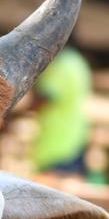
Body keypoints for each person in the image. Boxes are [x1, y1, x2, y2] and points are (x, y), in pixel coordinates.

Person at [29, 45, 91, 174]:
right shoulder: (79, 63)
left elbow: (44, 98)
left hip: (56, 148)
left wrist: (9, 114)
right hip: (74, 141)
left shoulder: (61, 64)